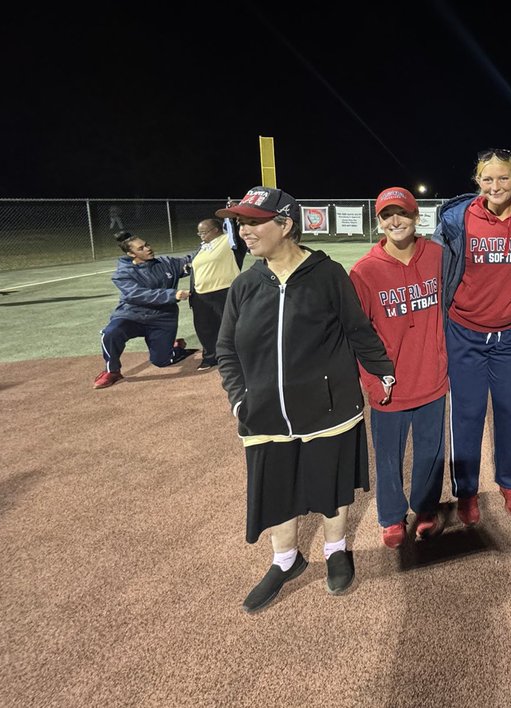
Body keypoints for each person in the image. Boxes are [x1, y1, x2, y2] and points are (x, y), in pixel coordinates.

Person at [215, 187, 395, 613]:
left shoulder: (328, 274)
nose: (244, 231)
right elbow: (226, 350)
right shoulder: (244, 285)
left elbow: (357, 330)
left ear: (285, 225)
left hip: (328, 408)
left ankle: (336, 549)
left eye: (254, 222)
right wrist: (240, 400)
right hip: (265, 414)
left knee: (330, 484)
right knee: (277, 488)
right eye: (241, 223)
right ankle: (286, 560)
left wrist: (383, 371)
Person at [432, 149, 511, 525]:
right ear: (478, 182)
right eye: (488, 179)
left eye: (504, 178)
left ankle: (510, 481)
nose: (496, 186)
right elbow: (435, 266)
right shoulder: (459, 218)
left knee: (510, 412)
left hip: (510, 337)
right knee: (467, 414)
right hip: (465, 333)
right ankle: (467, 490)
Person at [349, 186, 449, 548]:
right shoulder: (364, 271)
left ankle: (425, 508)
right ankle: (391, 516)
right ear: (379, 221)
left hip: (432, 377)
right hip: (390, 385)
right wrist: (373, 381)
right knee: (388, 457)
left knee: (430, 452)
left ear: (416, 217)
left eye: (402, 213)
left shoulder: (437, 255)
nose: (395, 221)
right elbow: (358, 335)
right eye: (387, 215)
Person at [93, 230, 192, 389]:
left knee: (161, 361)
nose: (148, 249)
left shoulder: (166, 263)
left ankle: (175, 348)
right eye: (141, 248)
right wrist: (172, 294)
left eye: (147, 245)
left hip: (162, 318)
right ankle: (112, 371)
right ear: (131, 254)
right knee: (110, 333)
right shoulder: (122, 274)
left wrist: (211, 245)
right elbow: (136, 294)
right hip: (132, 315)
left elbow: (193, 260)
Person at [190, 217, 242, 369]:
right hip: (200, 294)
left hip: (223, 291)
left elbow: (237, 231)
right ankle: (210, 357)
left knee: (229, 327)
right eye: (199, 233)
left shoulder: (228, 241)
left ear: (215, 230)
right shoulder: (202, 247)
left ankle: (235, 356)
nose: (201, 235)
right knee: (204, 328)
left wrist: (232, 216)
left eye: (204, 232)